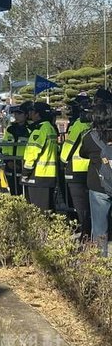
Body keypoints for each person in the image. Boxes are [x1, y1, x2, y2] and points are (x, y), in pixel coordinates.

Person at [78, 101, 112, 257]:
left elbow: (82, 153)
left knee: (99, 228)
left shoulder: (90, 137)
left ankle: (101, 263)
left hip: (99, 187)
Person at [61, 98, 92, 237]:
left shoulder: (79, 124)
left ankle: (84, 233)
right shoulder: (95, 123)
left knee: (80, 205)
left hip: (76, 169)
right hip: (91, 168)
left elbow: (69, 146)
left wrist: (62, 160)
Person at [22, 102, 58, 211]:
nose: (29, 114)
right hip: (49, 174)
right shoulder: (50, 128)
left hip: (38, 175)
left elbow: (32, 152)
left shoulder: (40, 129)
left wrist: (25, 172)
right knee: (48, 209)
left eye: (31, 111)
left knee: (38, 210)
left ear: (37, 114)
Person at [1, 105, 31, 196]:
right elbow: (4, 146)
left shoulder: (30, 130)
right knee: (13, 192)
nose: (17, 116)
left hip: (24, 165)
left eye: (20, 113)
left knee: (26, 192)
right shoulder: (10, 129)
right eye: (15, 114)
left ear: (26, 115)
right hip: (10, 164)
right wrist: (7, 160)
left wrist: (23, 163)